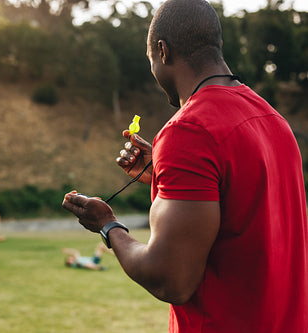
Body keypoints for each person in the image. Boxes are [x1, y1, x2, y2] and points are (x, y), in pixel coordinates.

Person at [62, 0, 308, 332]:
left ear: (162, 51)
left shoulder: (190, 130)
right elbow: (241, 206)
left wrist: (107, 226)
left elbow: (171, 279)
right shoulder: (273, 121)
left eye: (150, 60)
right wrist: (165, 173)